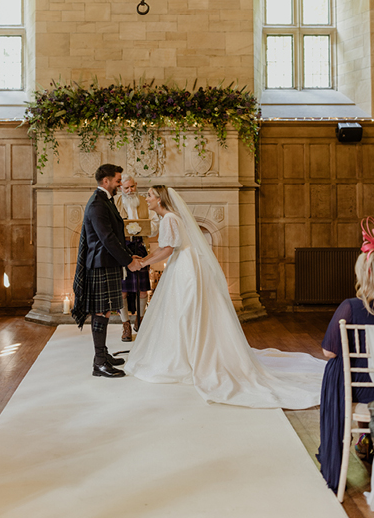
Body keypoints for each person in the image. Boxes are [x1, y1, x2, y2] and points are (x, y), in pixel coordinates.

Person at [124, 185, 325, 408]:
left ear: (160, 199)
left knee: (182, 312)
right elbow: (164, 246)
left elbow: (168, 249)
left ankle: (185, 357)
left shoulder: (169, 218)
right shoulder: (170, 218)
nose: (147, 198)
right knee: (181, 311)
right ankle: (186, 351)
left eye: (150, 195)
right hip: (183, 263)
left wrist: (142, 263)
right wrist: (143, 256)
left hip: (183, 266)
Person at [317, 217, 374, 493]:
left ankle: (345, 448)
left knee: (335, 365)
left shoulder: (350, 307)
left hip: (360, 392)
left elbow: (328, 351)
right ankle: (367, 440)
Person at [72, 164, 143, 378]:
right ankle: (100, 364)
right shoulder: (97, 204)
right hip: (100, 265)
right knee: (101, 311)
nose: (120, 184)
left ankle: (102, 355)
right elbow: (107, 239)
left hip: (108, 262)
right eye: (118, 181)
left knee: (106, 310)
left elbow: (114, 235)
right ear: (106, 181)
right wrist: (128, 262)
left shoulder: (104, 201)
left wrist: (129, 256)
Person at [116, 175, 151, 341]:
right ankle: (126, 325)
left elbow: (154, 222)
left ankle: (140, 319)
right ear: (120, 188)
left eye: (132, 187)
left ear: (136, 185)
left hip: (141, 245)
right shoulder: (115, 203)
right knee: (122, 290)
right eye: (126, 188)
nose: (130, 191)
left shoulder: (145, 201)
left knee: (143, 289)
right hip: (123, 248)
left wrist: (146, 228)